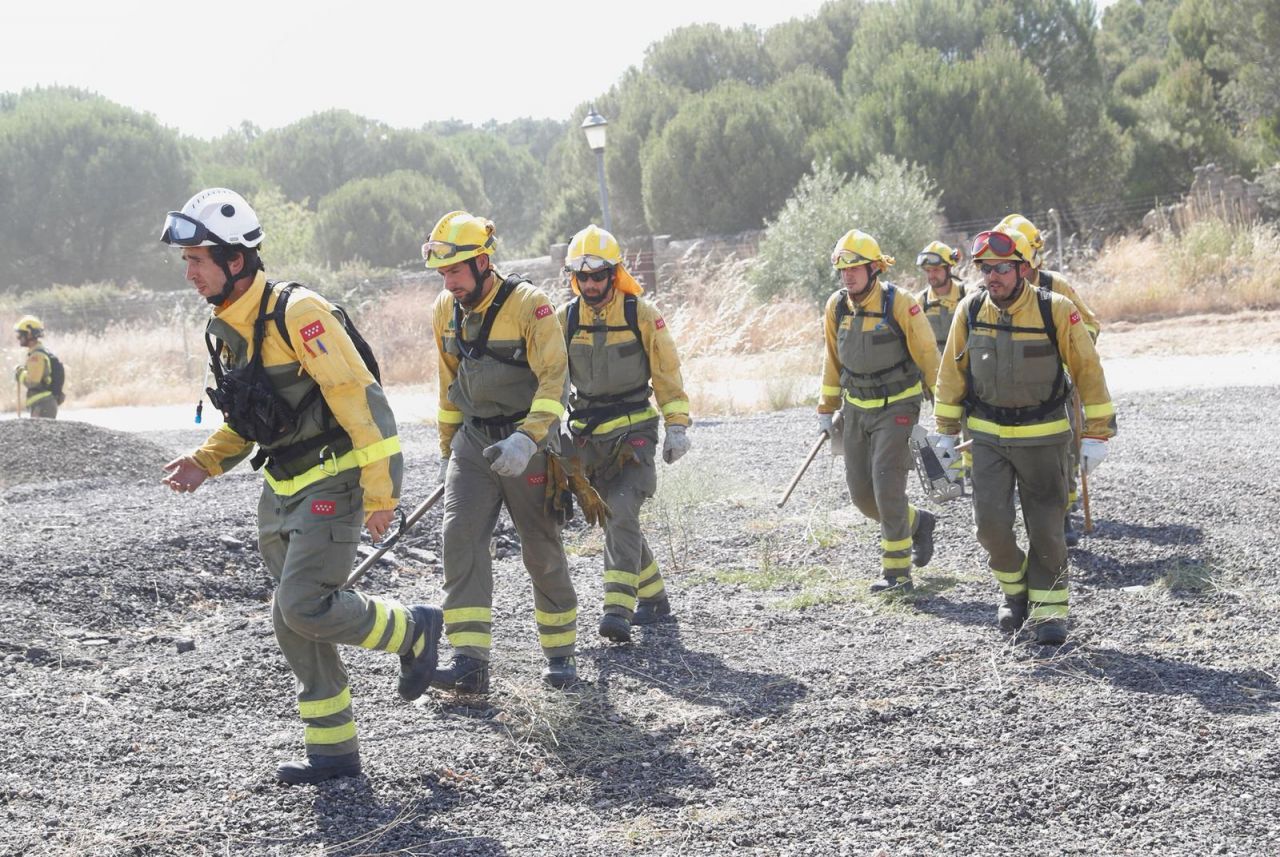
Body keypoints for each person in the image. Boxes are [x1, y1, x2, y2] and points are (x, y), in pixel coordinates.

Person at [158, 188, 441, 785]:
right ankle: (333, 756)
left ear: (236, 259)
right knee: (292, 620)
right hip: (282, 488)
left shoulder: (298, 313)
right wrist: (206, 462)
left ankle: (415, 629)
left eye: (197, 259)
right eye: (185, 261)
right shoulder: (227, 327)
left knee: (303, 604)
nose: (188, 272)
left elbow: (359, 398)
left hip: (333, 483)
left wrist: (384, 491)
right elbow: (251, 416)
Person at [933, 226, 1116, 646]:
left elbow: (1089, 372)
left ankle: (1049, 611)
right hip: (987, 439)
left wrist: (1097, 435)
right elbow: (950, 375)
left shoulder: (1057, 310)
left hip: (1045, 437)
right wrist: (944, 433)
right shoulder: (971, 310)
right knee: (991, 528)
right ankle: (1015, 591)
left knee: (1047, 527)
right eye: (985, 269)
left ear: (1023, 269)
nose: (991, 276)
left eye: (1000, 268)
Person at [425, 210, 578, 693]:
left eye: (455, 271)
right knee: (460, 539)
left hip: (525, 442)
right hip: (474, 442)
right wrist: (449, 449)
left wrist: (529, 438)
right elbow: (449, 383)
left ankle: (560, 654)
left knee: (540, 548)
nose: (448, 282)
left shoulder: (531, 306)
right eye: (442, 273)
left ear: (484, 262)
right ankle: (469, 663)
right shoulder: (443, 310)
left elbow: (556, 378)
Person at [556, 225, 691, 644]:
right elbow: (549, 379)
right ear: (574, 278)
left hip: (634, 433)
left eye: (599, 275)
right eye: (584, 277)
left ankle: (618, 608)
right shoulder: (565, 320)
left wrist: (678, 426)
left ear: (614, 273)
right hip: (586, 441)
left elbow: (667, 372)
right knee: (619, 519)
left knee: (620, 510)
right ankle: (655, 598)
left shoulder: (641, 314)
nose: (592, 284)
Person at [817, 229, 942, 594]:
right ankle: (919, 522)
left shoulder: (900, 303)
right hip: (855, 410)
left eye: (854, 268)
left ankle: (897, 575)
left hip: (898, 408)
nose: (848, 276)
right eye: (842, 270)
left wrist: (947, 410)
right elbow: (832, 358)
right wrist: (827, 408)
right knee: (862, 496)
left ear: (874, 268)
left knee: (888, 486)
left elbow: (927, 355)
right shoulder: (835, 306)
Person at [998, 214, 1101, 546]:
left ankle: (1064, 516)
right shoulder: (994, 290)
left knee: (1065, 449)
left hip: (1058, 384)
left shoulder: (1055, 285)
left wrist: (1066, 350)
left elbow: (1091, 326)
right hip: (1015, 389)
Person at [914, 242, 967, 351]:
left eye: (936, 270)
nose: (931, 275)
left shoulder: (967, 296)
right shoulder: (919, 302)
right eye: (928, 270)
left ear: (949, 268)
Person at [13, 316, 60, 419]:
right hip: (42, 404)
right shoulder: (36, 353)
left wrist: (21, 373)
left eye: (21, 334)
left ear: (29, 334)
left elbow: (33, 382)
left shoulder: (36, 356)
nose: (18, 338)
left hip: (42, 405)